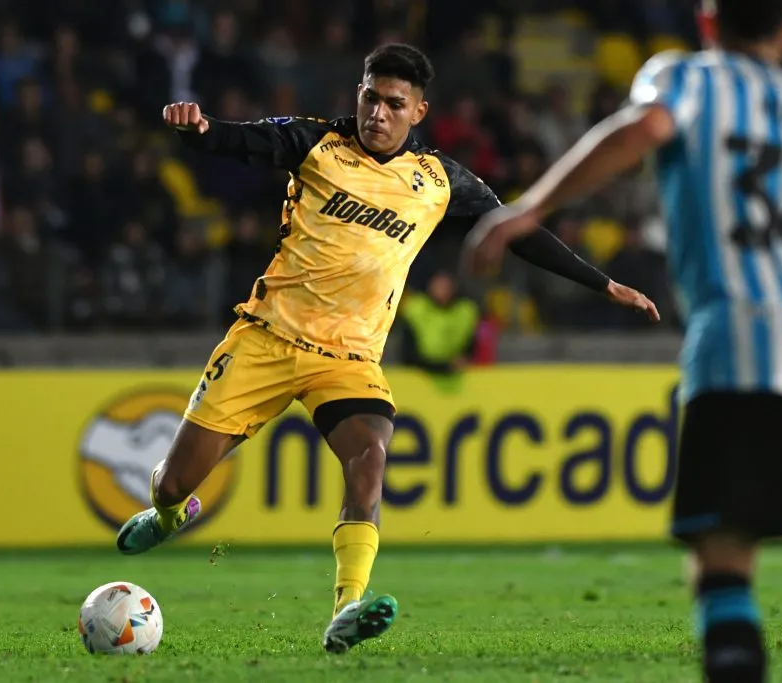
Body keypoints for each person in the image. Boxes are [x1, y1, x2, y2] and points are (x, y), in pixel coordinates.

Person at [118, 43, 658, 654]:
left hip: (348, 360)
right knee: (171, 481)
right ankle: (169, 514)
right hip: (266, 340)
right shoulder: (319, 144)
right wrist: (201, 128)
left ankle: (346, 608)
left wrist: (603, 282)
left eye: (394, 104)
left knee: (369, 457)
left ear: (419, 111)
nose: (378, 113)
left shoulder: (439, 180)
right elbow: (245, 141)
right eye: (370, 97)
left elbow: (516, 232)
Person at [464, 3, 782, 682]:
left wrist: (531, 207)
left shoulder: (689, 77)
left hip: (742, 342)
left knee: (724, 556)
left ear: (709, 22)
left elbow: (648, 124)